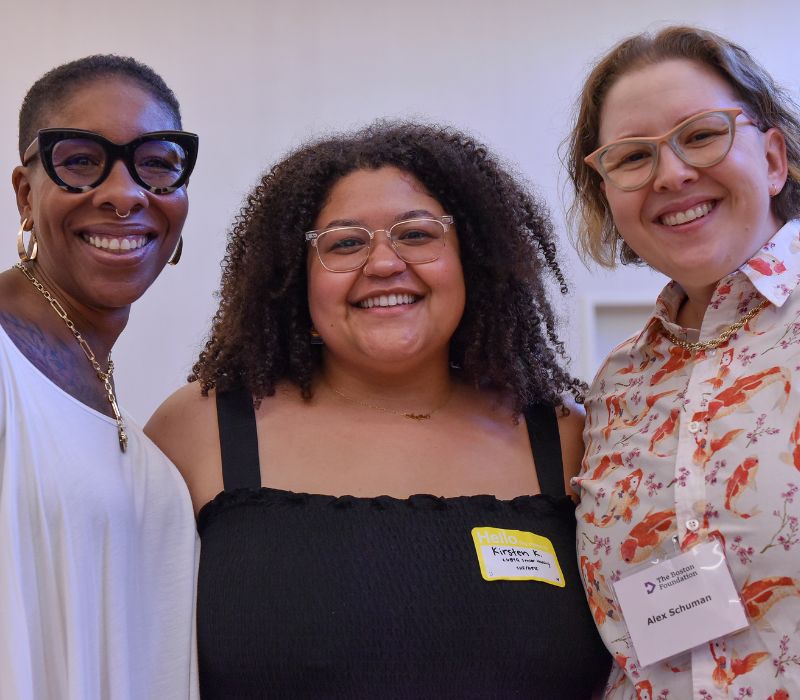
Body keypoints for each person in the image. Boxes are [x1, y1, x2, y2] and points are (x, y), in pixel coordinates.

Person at [146, 121, 610, 697]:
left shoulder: (567, 437)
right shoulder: (199, 433)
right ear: (295, 279)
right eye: (344, 243)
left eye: (417, 235)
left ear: (475, 257)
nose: (385, 263)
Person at [567, 25, 800, 698]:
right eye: (633, 157)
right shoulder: (617, 386)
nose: (672, 174)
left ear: (775, 159)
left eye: (702, 135)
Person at [0, 56, 200, 699]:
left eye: (158, 163)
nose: (124, 193)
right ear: (26, 195)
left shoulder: (117, 406)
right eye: (81, 160)